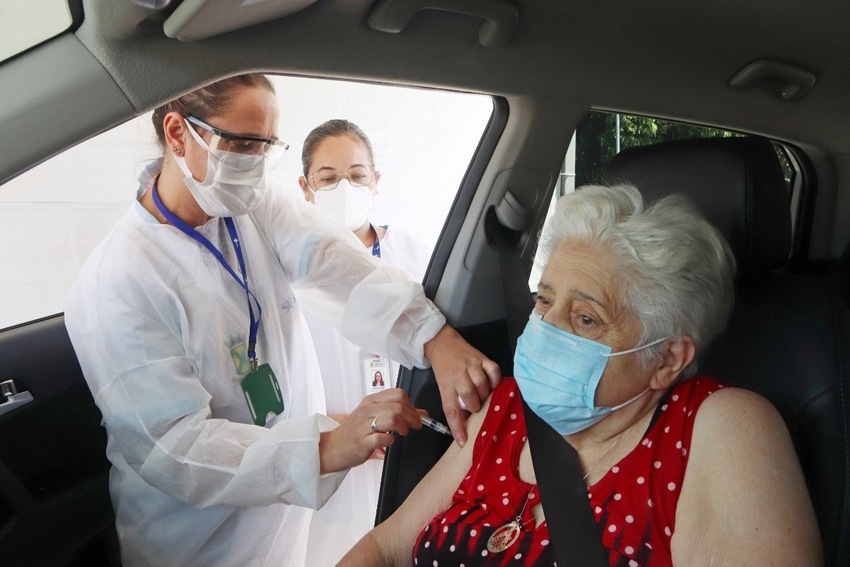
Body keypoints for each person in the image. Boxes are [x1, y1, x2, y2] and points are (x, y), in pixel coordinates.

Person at [63, 74, 500, 567]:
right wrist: (328, 446)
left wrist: (434, 338)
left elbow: (337, 262)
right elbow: (175, 449)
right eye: (240, 144)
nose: (253, 165)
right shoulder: (118, 281)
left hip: (282, 530)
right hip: (198, 544)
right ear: (178, 133)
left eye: (266, 146)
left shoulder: (245, 205)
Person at [340, 184, 823, 566]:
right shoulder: (507, 407)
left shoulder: (720, 427)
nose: (545, 329)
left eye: (586, 319)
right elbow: (385, 551)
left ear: (668, 359)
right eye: (545, 301)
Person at [296, 119, 433, 565]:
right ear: (305, 187)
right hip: (325, 459)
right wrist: (342, 430)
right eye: (328, 178)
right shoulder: (288, 271)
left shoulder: (416, 254)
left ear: (376, 181)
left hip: (405, 455)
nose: (345, 187)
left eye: (356, 175)